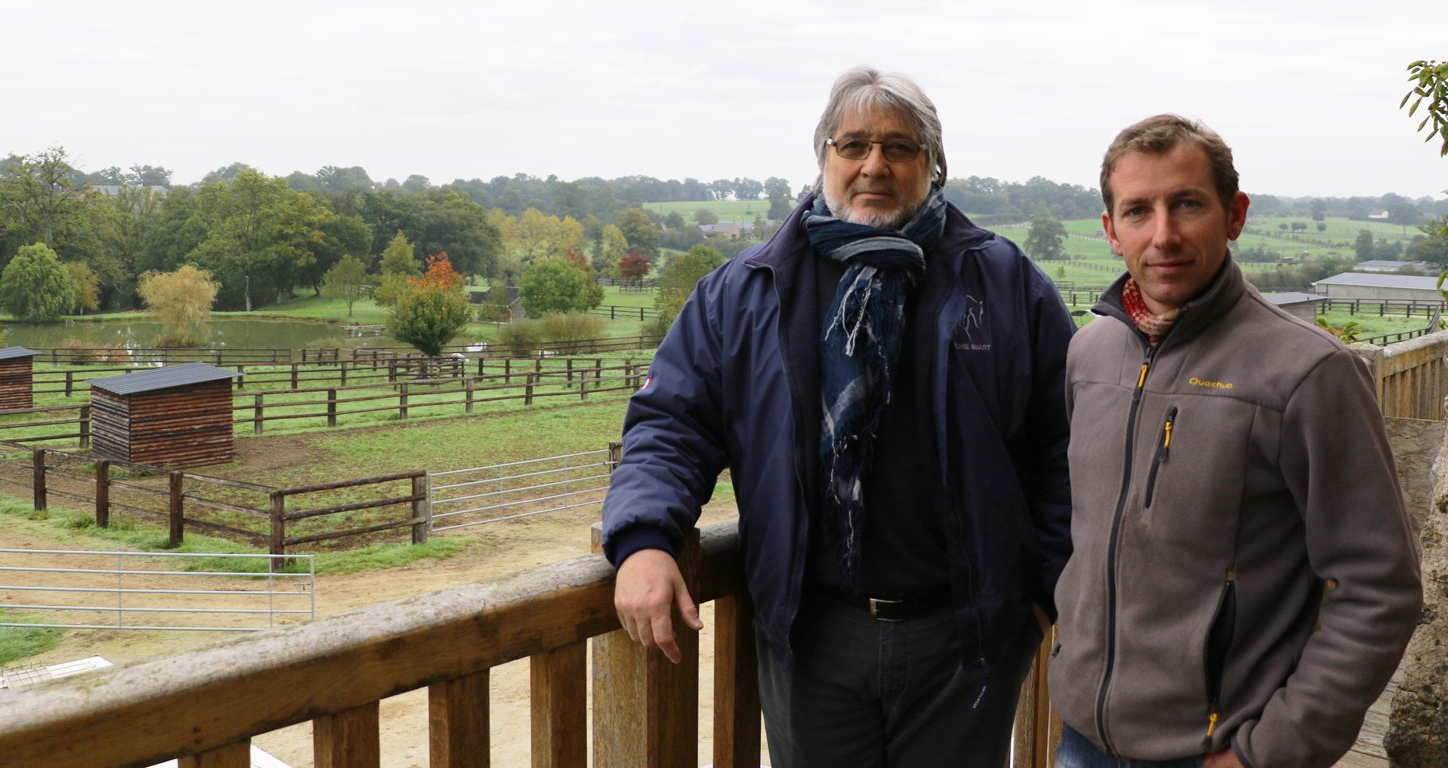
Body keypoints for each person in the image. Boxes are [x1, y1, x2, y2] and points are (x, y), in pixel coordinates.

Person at [600, 66, 1076, 767]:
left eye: (899, 147)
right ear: (824, 155)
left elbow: (1068, 449)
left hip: (963, 641)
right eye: (852, 145)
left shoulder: (1005, 285)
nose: (873, 165)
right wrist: (644, 539)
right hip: (812, 636)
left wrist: (1037, 600)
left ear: (934, 165)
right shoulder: (747, 291)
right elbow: (670, 425)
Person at [1048, 114, 1424, 768]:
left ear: (1235, 214)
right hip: (1081, 742)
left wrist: (1270, 752)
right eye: (1138, 211)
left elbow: (1379, 589)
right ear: (1111, 231)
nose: (1163, 234)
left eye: (1187, 204)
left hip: (1219, 751)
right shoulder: (1089, 354)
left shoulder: (1309, 373)